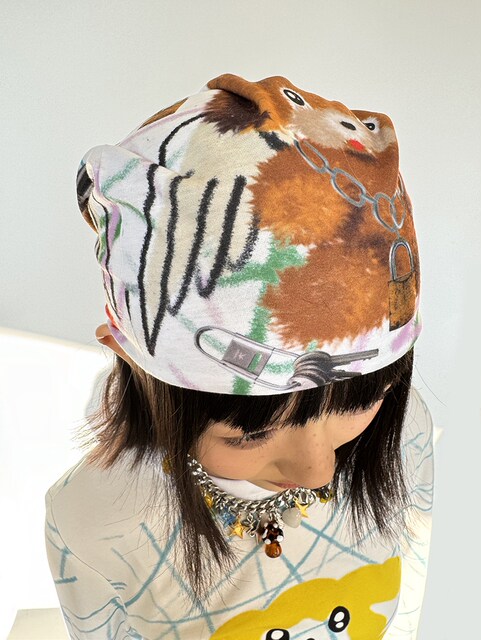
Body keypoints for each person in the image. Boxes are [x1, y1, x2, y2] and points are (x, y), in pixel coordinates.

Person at [44, 73, 434, 639]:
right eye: (250, 434)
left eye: (359, 401)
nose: (319, 471)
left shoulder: (406, 430)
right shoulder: (95, 518)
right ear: (132, 359)